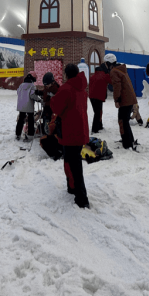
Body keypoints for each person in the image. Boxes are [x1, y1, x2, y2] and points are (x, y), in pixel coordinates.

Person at [50, 63, 90, 209]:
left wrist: (53, 97)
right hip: (80, 130)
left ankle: (82, 199)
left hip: (70, 131)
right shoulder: (82, 88)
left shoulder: (66, 89)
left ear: (66, 74)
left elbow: (56, 107)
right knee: (70, 160)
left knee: (74, 165)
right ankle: (72, 187)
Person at [104, 53, 138, 149]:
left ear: (108, 63)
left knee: (122, 121)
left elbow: (117, 86)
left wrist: (116, 100)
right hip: (129, 98)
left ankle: (127, 143)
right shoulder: (121, 69)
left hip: (125, 100)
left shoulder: (114, 71)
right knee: (125, 121)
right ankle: (130, 139)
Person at [88, 64, 110, 133]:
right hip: (99, 97)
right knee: (98, 113)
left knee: (97, 112)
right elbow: (112, 82)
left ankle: (99, 125)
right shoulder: (105, 75)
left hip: (91, 97)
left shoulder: (93, 76)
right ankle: (95, 129)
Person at [16, 71, 38, 140]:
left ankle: (18, 134)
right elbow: (32, 95)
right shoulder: (32, 86)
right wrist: (39, 99)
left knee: (21, 119)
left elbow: (18, 92)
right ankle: (30, 135)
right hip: (29, 106)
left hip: (21, 105)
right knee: (30, 119)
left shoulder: (21, 85)